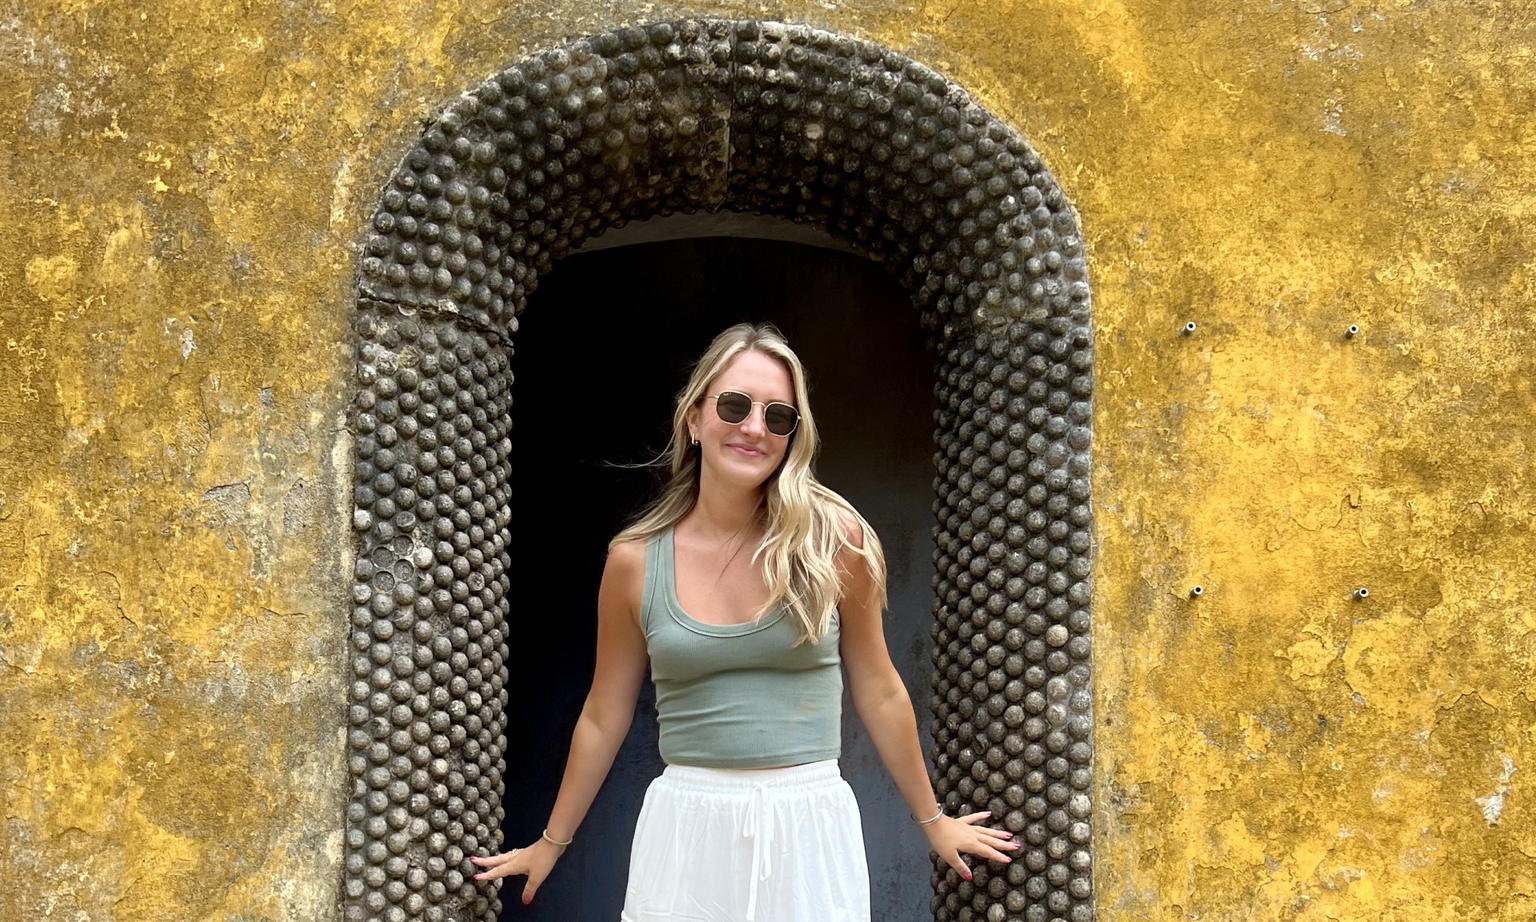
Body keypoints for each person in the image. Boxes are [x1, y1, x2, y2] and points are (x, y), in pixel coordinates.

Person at [470, 322, 1019, 920]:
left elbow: (879, 686)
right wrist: (551, 844)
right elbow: (604, 714)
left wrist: (933, 821)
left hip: (809, 826)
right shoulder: (634, 562)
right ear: (694, 418)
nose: (755, 427)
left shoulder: (834, 541)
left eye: (778, 416)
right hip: (686, 830)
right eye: (734, 406)